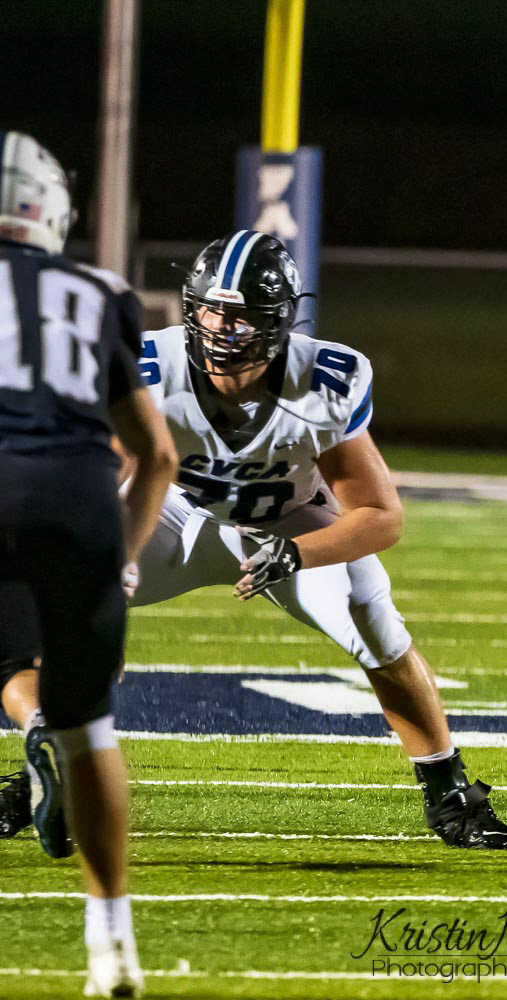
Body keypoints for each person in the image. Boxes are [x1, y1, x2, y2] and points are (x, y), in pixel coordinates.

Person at [0, 227, 507, 852]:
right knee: (49, 608)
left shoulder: (323, 382)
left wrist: (299, 553)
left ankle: (450, 795)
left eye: (241, 315)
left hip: (290, 522)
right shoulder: (149, 367)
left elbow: (381, 515)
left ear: (279, 321)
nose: (223, 329)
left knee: (373, 620)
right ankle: (44, 766)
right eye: (212, 311)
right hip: (175, 512)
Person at [0, 130, 177, 997]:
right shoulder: (102, 293)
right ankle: (112, 941)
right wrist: (122, 562)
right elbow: (157, 456)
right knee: (90, 727)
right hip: (76, 499)